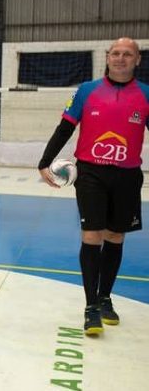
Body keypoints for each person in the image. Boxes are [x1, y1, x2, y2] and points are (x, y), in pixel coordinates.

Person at [39, 37, 149, 336]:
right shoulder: (87, 91)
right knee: (92, 235)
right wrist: (45, 161)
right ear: (108, 57)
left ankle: (105, 297)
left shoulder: (146, 94)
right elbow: (65, 127)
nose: (121, 58)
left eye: (128, 54)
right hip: (91, 174)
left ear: (138, 59)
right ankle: (90, 307)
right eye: (116, 53)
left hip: (127, 176)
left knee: (115, 236)